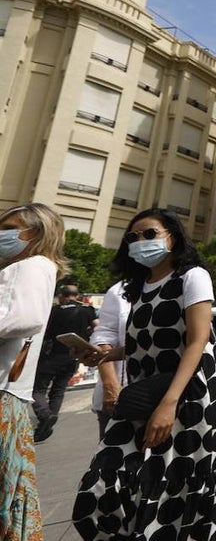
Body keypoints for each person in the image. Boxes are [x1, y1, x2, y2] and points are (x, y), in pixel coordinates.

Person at [72, 209, 216, 540]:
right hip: (147, 390)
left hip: (188, 391)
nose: (140, 242)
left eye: (150, 234)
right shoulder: (138, 287)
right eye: (132, 237)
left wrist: (169, 404)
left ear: (173, 237)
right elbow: (146, 342)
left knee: (179, 474)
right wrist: (103, 354)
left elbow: (197, 340)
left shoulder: (192, 276)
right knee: (105, 478)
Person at [0, 203, 68, 541]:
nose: (3, 235)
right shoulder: (38, 267)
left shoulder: (30, 265)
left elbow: (21, 317)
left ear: (37, 234)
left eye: (11, 228)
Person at [32, 283, 97, 441]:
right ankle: (47, 423)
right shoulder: (87, 309)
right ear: (77, 295)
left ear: (61, 296)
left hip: (53, 356)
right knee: (58, 391)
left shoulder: (55, 310)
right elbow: (97, 327)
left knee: (36, 390)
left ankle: (46, 416)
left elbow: (44, 332)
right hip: (73, 356)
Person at [87, 281, 128, 439]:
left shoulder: (187, 280)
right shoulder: (118, 291)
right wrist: (111, 387)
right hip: (120, 399)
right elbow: (104, 335)